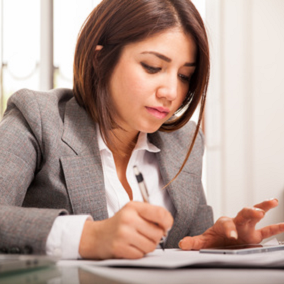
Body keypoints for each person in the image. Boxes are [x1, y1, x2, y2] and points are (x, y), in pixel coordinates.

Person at [0, 0, 283, 260]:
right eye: (152, 67)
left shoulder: (184, 143)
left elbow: (188, 246)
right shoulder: (37, 118)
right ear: (100, 60)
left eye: (184, 76)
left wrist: (213, 246)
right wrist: (87, 236)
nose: (172, 92)